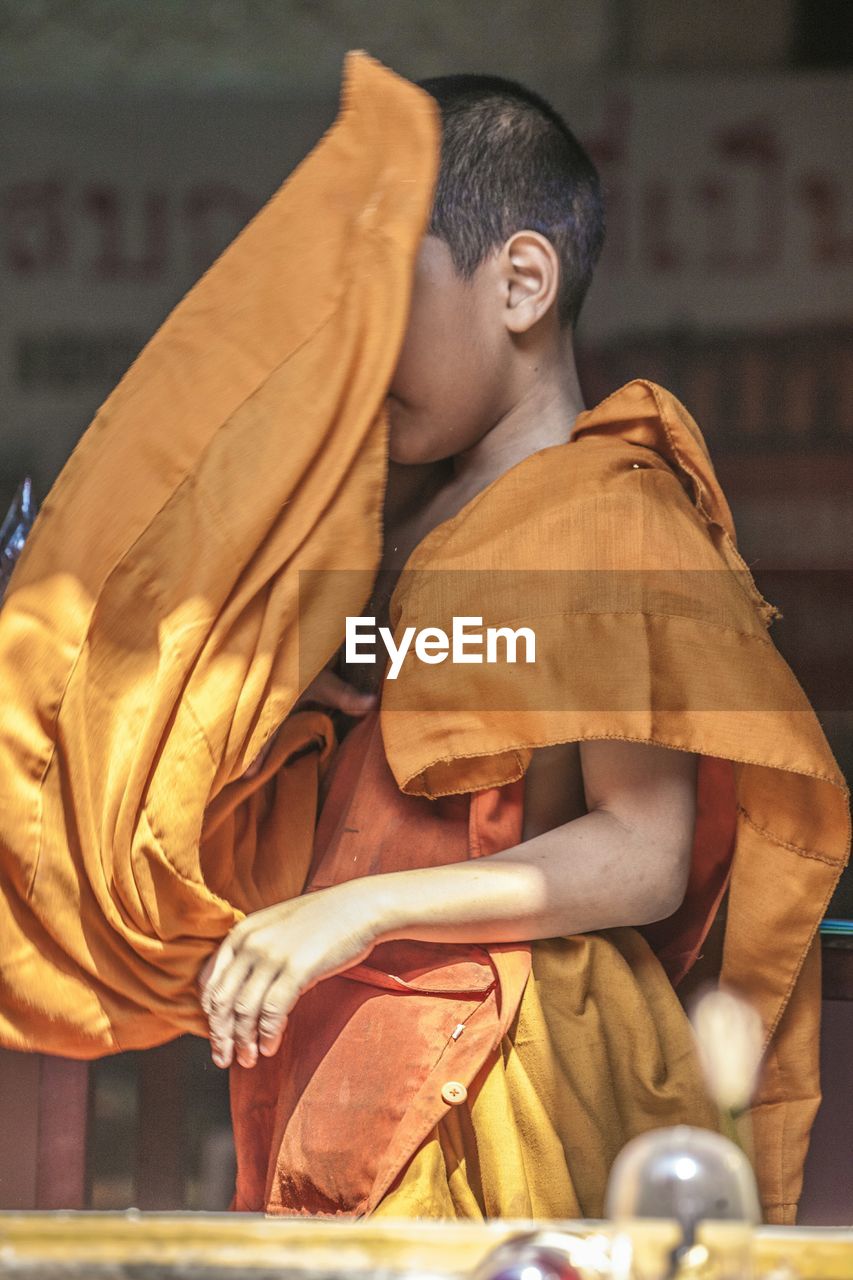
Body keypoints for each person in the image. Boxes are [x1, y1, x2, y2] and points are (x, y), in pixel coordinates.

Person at [0, 55, 847, 1225]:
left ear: (520, 283)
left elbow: (643, 851)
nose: (358, 345)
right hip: (348, 1048)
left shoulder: (606, 509)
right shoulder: (378, 532)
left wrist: (365, 909)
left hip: (514, 1067)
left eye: (383, 297)